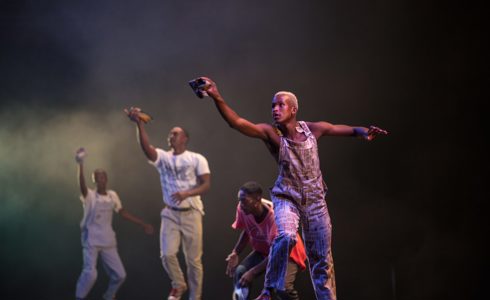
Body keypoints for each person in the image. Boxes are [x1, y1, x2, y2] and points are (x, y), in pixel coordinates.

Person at [192, 77, 388, 300]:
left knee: (322, 262)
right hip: (288, 199)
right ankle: (269, 290)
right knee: (285, 236)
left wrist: (364, 132)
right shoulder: (272, 134)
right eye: (273, 105)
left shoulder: (312, 130)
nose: (275, 109)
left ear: (293, 109)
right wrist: (216, 96)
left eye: (280, 105)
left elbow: (343, 129)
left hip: (315, 202)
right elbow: (237, 123)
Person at [125, 107, 211, 300]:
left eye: (175, 133)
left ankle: (195, 297)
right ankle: (178, 284)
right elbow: (147, 149)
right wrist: (139, 124)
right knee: (167, 255)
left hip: (192, 212)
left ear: (184, 139)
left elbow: (206, 185)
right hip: (170, 213)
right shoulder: (163, 157)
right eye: (170, 133)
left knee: (194, 261)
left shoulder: (196, 158)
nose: (170, 135)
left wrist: (187, 193)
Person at [75, 147, 154, 300]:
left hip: (107, 239)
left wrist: (143, 224)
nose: (101, 180)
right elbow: (82, 186)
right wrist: (80, 164)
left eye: (103, 177)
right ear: (94, 180)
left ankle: (109, 296)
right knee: (90, 274)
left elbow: (122, 212)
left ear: (106, 179)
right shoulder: (90, 196)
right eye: (97, 177)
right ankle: (79, 297)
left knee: (120, 275)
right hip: (91, 239)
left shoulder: (113, 195)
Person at [226, 181, 307, 300]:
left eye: (244, 201)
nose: (241, 204)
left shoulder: (275, 218)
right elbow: (248, 229)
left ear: (257, 199)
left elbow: (276, 255)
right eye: (240, 200)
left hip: (287, 254)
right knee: (241, 272)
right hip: (266, 251)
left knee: (282, 288)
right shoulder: (243, 208)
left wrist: (253, 272)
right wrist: (235, 252)